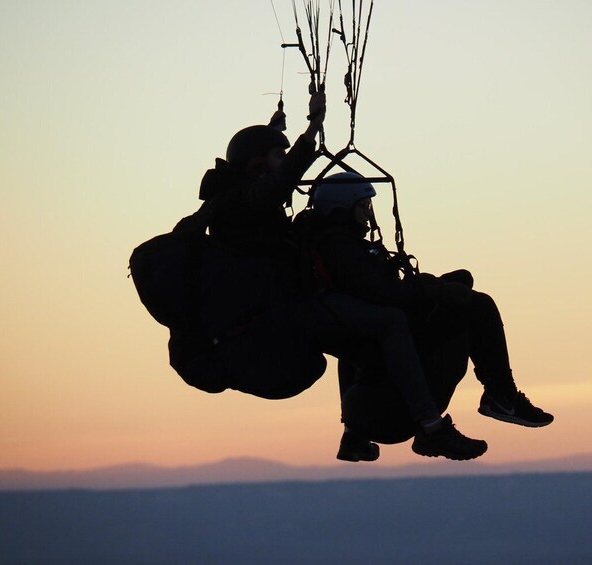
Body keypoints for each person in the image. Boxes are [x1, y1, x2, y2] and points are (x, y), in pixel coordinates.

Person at [196, 92, 487, 461]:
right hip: (283, 309)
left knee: (355, 320)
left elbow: (269, 181)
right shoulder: (242, 201)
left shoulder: (238, 197)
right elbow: (276, 185)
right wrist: (312, 129)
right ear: (256, 165)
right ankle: (431, 426)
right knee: (389, 321)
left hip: (289, 301)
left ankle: (353, 436)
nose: (284, 164)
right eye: (277, 157)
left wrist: (274, 133)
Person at [297, 172, 554, 460]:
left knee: (461, 283)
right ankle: (486, 403)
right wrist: (434, 289)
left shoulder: (338, 244)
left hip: (367, 384)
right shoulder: (339, 247)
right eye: (363, 206)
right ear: (342, 209)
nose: (369, 213)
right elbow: (382, 293)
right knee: (478, 305)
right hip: (384, 393)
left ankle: (356, 435)